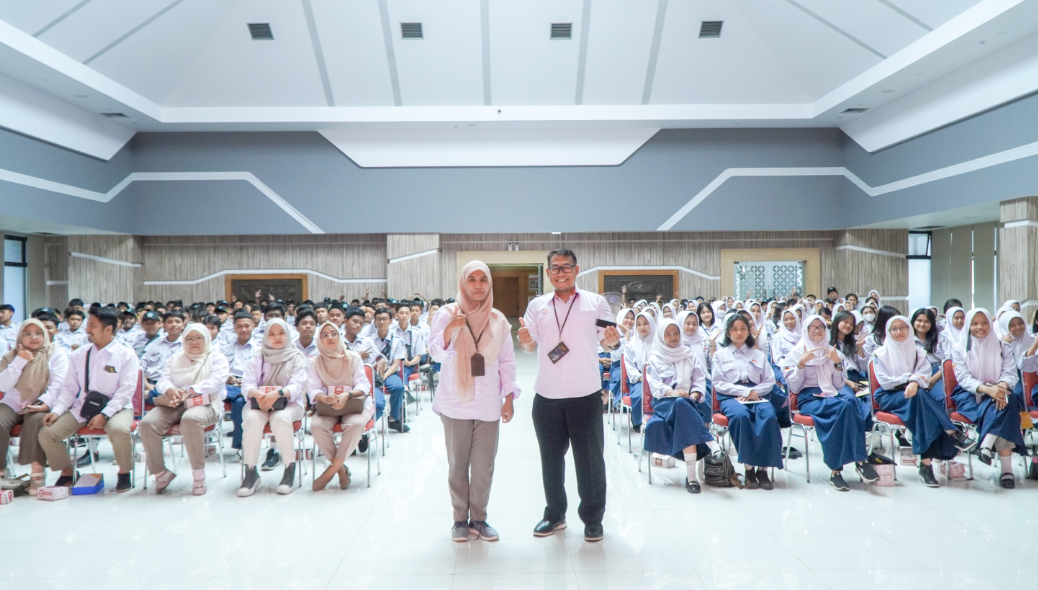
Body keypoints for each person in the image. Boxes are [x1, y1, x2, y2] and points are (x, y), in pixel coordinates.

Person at [518, 249, 620, 543]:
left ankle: (592, 518)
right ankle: (554, 514)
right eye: (554, 268)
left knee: (589, 461)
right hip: (547, 394)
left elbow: (608, 342)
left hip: (584, 394)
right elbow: (529, 346)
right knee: (550, 460)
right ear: (548, 273)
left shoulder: (595, 303)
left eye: (566, 267)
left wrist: (613, 344)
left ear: (577, 270)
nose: (560, 273)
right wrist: (525, 342)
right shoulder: (537, 306)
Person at [429, 261, 518, 541]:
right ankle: (459, 520)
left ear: (489, 284)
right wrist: (449, 331)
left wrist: (509, 398)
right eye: (472, 280)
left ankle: (479, 519)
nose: (478, 285)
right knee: (457, 465)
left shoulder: (498, 320)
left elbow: (507, 362)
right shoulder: (447, 314)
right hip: (455, 401)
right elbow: (434, 352)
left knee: (483, 466)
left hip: (489, 401)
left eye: (483, 280)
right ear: (463, 283)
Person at [38, 306, 139, 492]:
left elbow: (125, 392)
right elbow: (69, 388)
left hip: (117, 407)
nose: (87, 329)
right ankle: (68, 472)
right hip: (83, 406)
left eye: (92, 325)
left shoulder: (126, 355)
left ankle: (124, 472)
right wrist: (56, 411)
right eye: (88, 324)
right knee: (48, 433)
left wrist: (105, 414)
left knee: (118, 429)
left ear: (108, 329)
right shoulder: (80, 354)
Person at [872, 315, 975, 487]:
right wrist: (912, 379)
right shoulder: (879, 354)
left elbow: (925, 375)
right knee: (920, 398)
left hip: (915, 396)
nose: (899, 332)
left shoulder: (919, 352)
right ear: (888, 332)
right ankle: (952, 432)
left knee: (921, 409)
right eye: (894, 329)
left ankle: (925, 465)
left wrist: (914, 382)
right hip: (890, 396)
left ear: (909, 330)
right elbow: (885, 381)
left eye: (902, 328)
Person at [781, 315, 878, 491]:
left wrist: (837, 363)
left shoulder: (833, 351)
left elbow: (839, 384)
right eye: (813, 327)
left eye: (821, 327)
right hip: (808, 398)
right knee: (845, 407)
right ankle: (860, 461)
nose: (818, 330)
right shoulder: (796, 353)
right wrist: (801, 364)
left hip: (831, 395)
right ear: (806, 330)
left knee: (847, 406)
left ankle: (836, 471)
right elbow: (793, 387)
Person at [140, 323, 229, 495]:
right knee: (147, 423)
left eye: (198, 338)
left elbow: (215, 382)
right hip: (176, 401)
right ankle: (160, 473)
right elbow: (163, 380)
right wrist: (170, 389)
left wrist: (189, 391)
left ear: (207, 339)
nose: (193, 342)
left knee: (190, 420)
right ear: (183, 340)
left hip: (205, 402)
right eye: (189, 338)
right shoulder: (176, 358)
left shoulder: (216, 357)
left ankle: (198, 477)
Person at [645, 319, 724, 493]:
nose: (673, 337)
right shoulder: (654, 359)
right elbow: (655, 387)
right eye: (668, 334)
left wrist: (694, 394)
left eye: (676, 333)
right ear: (660, 336)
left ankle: (693, 478)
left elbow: (699, 380)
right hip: (664, 403)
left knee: (683, 408)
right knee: (681, 405)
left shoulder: (689, 355)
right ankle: (707, 449)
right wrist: (673, 393)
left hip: (688, 402)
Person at [950, 309, 1025, 489]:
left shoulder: (1002, 346)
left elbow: (1009, 372)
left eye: (984, 322)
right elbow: (963, 378)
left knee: (1008, 399)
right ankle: (1007, 470)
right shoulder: (959, 348)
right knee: (1006, 406)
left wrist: (1001, 386)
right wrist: (987, 390)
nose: (980, 327)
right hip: (970, 394)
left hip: (999, 389)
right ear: (968, 326)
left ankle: (985, 446)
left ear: (990, 324)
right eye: (974, 323)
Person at [711, 313, 782, 488]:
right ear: (728, 333)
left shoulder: (757, 354)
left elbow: (770, 380)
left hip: (758, 394)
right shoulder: (720, 355)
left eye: (743, 328)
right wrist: (743, 391)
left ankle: (763, 471)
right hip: (731, 396)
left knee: (769, 416)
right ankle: (749, 469)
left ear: (749, 332)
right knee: (741, 417)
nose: (739, 332)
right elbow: (719, 383)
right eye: (734, 329)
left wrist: (753, 391)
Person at [0, 316, 69, 494]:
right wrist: (20, 360)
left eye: (39, 333)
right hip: (15, 401)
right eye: (28, 334)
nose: (34, 338)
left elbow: (58, 385)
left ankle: (37, 473)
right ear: (20, 337)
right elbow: (4, 386)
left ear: (45, 335)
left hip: (45, 402)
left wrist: (44, 404)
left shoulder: (56, 353)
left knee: (35, 421)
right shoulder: (11, 356)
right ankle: (1, 471)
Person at [239, 318, 308, 496]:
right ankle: (251, 472)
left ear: (288, 334)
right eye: (271, 334)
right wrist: (257, 394)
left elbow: (297, 385)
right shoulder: (258, 356)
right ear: (265, 337)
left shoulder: (296, 356)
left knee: (280, 418)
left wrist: (278, 394)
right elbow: (246, 384)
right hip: (259, 403)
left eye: (281, 333)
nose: (277, 337)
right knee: (252, 420)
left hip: (290, 404)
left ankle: (289, 468)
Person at [308, 321, 371, 492]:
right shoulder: (315, 362)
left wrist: (348, 395)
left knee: (355, 424)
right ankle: (342, 470)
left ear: (339, 335)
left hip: (354, 403)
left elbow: (364, 386)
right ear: (319, 339)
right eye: (325, 335)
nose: (330, 338)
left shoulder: (353, 357)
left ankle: (330, 472)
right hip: (327, 405)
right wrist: (325, 398)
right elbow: (312, 389)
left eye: (334, 333)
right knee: (317, 426)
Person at [370, 307, 409, 432]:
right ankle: (368, 424)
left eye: (385, 319)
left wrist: (384, 376)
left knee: (398, 387)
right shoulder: (368, 340)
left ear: (391, 321)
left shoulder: (397, 341)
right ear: (374, 321)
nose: (382, 322)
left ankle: (394, 418)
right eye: (379, 319)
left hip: (390, 373)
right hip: (372, 374)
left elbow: (396, 363)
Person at [620, 311, 655, 432]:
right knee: (640, 396)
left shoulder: (659, 343)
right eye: (638, 324)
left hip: (658, 379)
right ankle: (639, 423)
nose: (642, 327)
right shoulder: (630, 345)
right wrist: (643, 378)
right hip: (639, 380)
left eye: (645, 323)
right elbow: (630, 368)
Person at [141, 310, 185, 402]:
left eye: (177, 322)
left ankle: (152, 396)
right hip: (151, 384)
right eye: (169, 322)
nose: (173, 324)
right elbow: (141, 367)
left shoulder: (188, 345)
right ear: (163, 325)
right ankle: (154, 396)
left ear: (183, 325)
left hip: (175, 385)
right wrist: (146, 384)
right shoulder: (153, 344)